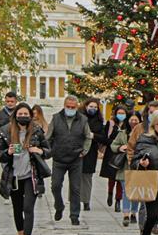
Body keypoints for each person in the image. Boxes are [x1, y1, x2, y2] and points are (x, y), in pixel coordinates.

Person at [0, 102, 52, 235]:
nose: (23, 117)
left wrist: (39, 150)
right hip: (13, 176)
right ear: (15, 116)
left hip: (31, 175)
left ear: (30, 115)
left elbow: (48, 150)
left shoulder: (36, 131)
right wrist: (8, 152)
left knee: (28, 208)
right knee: (17, 207)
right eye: (20, 114)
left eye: (25, 114)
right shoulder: (6, 131)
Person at [46, 95, 92, 226]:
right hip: (59, 158)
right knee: (55, 185)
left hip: (76, 159)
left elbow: (88, 137)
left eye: (73, 107)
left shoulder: (82, 119)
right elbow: (48, 136)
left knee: (75, 188)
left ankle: (74, 215)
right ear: (64, 106)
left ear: (77, 107)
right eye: (68, 107)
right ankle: (59, 206)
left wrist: (84, 150)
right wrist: (48, 150)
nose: (70, 109)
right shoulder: (56, 118)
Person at [127, 100, 158, 234]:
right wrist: (134, 162)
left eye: (156, 112)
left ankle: (155, 223)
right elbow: (131, 147)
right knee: (145, 200)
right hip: (144, 168)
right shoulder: (140, 128)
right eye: (150, 112)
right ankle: (144, 227)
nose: (153, 115)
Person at [111, 109, 140, 226]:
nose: (133, 122)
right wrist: (120, 148)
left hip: (138, 166)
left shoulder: (144, 133)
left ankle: (134, 212)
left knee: (136, 190)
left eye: (136, 120)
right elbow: (113, 145)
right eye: (131, 119)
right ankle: (126, 214)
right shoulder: (122, 133)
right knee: (126, 190)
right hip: (125, 166)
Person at [80, 98, 105, 211]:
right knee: (75, 176)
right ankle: (75, 199)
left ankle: (86, 200)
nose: (93, 109)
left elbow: (103, 138)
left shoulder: (99, 121)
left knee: (87, 177)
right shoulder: (79, 117)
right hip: (78, 150)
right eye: (91, 106)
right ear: (86, 106)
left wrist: (93, 135)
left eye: (95, 107)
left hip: (91, 151)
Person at [99, 105, 125, 213]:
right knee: (111, 177)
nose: (121, 115)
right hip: (111, 153)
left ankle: (118, 200)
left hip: (122, 154)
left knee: (120, 178)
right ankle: (110, 193)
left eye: (123, 113)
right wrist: (114, 144)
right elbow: (104, 138)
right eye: (119, 113)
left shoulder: (126, 125)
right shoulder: (110, 124)